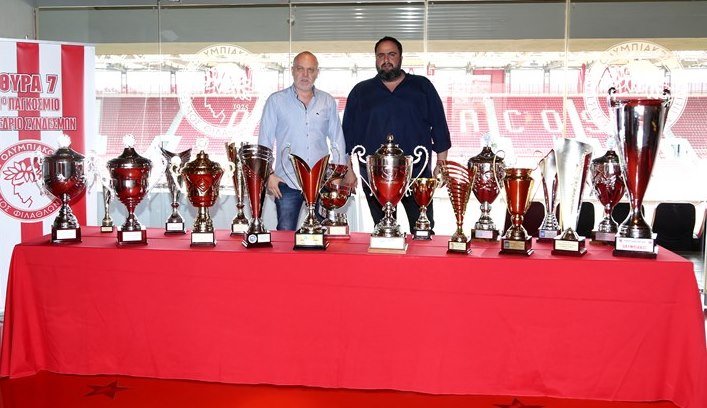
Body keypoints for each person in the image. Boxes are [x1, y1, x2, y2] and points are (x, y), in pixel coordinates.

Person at [343, 36, 451, 234]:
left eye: (391, 54)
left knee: (423, 232)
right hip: (376, 178)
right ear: (375, 59)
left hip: (417, 174)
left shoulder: (422, 86)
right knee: (384, 233)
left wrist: (441, 165)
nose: (386, 60)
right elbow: (347, 136)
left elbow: (439, 126)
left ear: (401, 57)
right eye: (381, 55)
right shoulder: (361, 92)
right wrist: (348, 170)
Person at [258, 51, 354, 230]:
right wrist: (268, 175)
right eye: (300, 69)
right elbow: (264, 142)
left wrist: (338, 176)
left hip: (321, 183)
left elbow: (337, 141)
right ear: (292, 70)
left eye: (310, 70)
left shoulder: (327, 101)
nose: (305, 75)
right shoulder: (275, 101)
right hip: (286, 182)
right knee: (286, 234)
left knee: (323, 234)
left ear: (317, 73)